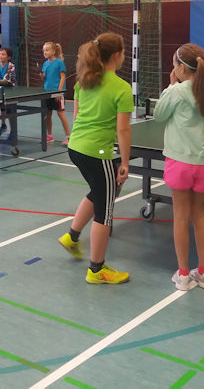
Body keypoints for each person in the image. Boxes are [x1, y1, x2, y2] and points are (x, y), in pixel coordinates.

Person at [58, 32, 134, 284]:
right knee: (105, 209)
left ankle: (72, 236)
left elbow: (77, 116)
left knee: (99, 190)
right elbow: (123, 129)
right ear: (117, 55)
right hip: (97, 153)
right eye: (124, 52)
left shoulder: (84, 81)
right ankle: (96, 270)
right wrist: (124, 162)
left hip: (76, 147)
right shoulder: (122, 88)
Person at [154, 43, 204, 291]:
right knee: (199, 215)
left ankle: (184, 275)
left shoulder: (176, 92)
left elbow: (159, 115)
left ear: (181, 68)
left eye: (174, 65)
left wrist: (170, 86)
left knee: (180, 216)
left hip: (179, 163)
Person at [40, 42, 71, 145]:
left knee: (60, 113)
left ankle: (68, 137)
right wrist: (42, 76)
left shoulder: (59, 62)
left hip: (58, 93)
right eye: (44, 50)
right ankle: (49, 136)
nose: (45, 52)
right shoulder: (45, 64)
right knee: (48, 114)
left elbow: (62, 77)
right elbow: (45, 77)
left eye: (47, 50)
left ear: (53, 51)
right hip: (47, 93)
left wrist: (59, 92)